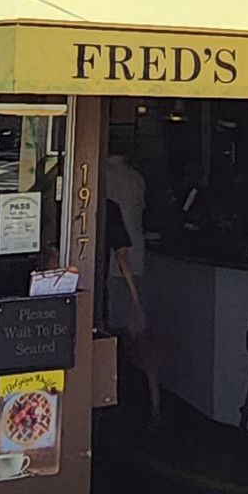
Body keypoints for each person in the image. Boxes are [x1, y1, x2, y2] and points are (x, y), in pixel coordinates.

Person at [99, 149, 161, 419]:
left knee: (113, 336)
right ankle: (151, 402)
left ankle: (112, 399)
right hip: (133, 264)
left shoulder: (101, 179)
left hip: (111, 269)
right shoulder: (136, 179)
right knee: (136, 336)